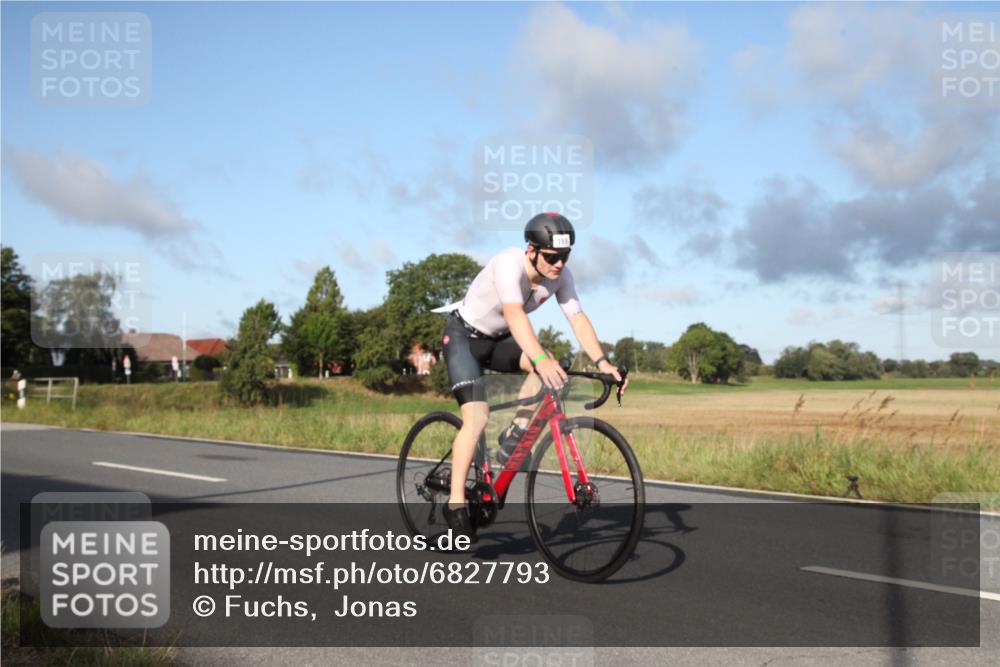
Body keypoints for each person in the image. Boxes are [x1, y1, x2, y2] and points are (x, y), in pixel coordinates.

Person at [440, 212, 627, 539]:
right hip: (464, 340)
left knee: (549, 368)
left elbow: (577, 317)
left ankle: (515, 432)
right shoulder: (508, 263)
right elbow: (513, 313)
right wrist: (539, 358)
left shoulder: (561, 276)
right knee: (478, 418)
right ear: (532, 251)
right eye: (552, 257)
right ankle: (455, 504)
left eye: (565, 257)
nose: (558, 264)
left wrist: (602, 363)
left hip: (497, 342)